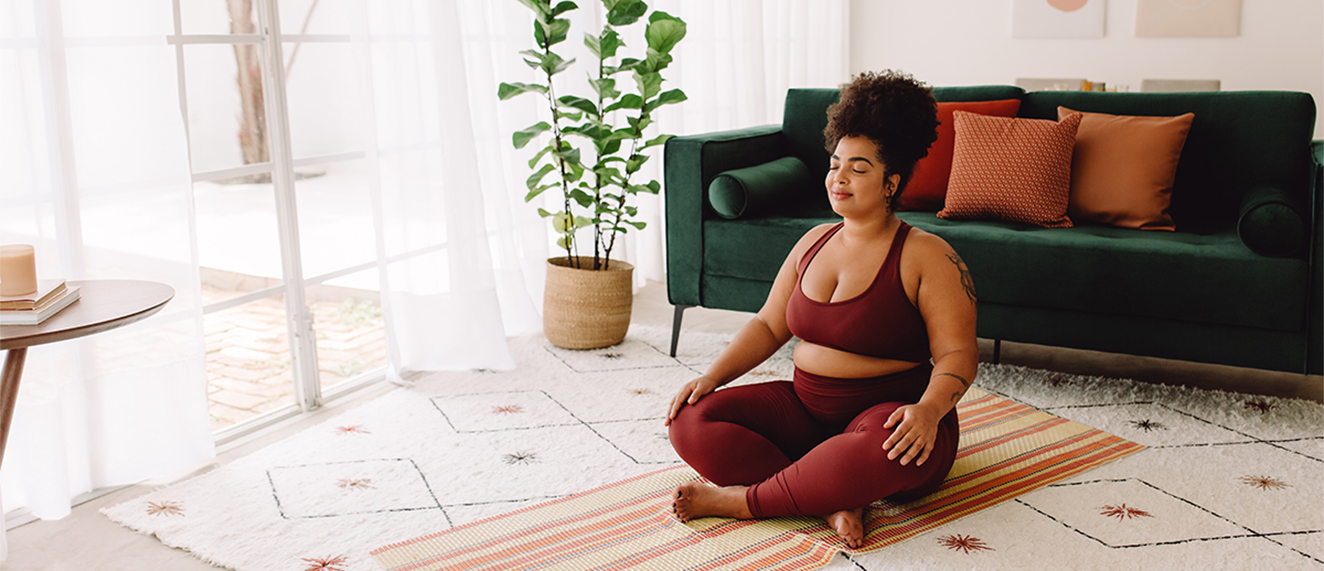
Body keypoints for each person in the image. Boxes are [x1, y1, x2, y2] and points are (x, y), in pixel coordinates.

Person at [663, 70, 978, 549]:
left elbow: (958, 355)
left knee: (882, 454)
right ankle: (832, 498)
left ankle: (743, 502)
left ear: (891, 181)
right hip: (806, 413)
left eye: (859, 167)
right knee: (689, 420)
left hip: (891, 419)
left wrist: (928, 413)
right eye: (835, 164)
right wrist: (712, 377)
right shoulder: (812, 242)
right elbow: (769, 325)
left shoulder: (928, 256)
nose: (839, 178)